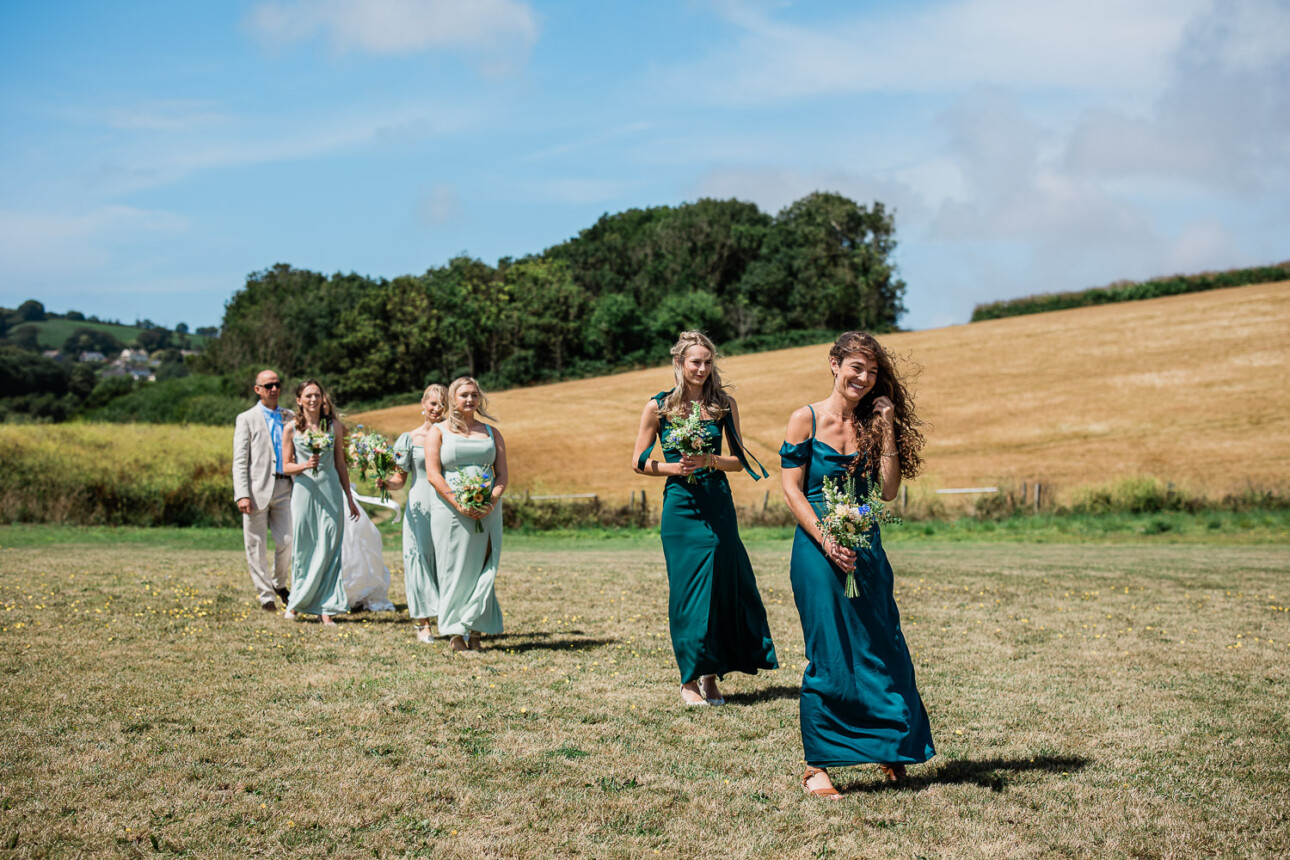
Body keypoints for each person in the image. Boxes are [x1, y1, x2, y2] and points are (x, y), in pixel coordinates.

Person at [779, 331, 935, 799]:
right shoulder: (804, 419)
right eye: (856, 369)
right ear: (834, 364)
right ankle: (817, 767)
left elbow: (886, 493)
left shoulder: (872, 423)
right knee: (829, 653)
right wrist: (827, 538)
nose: (863, 379)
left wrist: (886, 426)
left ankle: (889, 747)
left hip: (866, 549)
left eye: (871, 372)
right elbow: (791, 490)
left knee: (880, 646)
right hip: (816, 549)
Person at [632, 331, 778, 707]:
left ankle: (711, 678)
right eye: (695, 361)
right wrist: (672, 468)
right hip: (680, 507)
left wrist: (710, 460)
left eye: (708, 362)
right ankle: (688, 681)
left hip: (717, 504)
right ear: (679, 364)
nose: (702, 368)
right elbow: (639, 462)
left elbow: (741, 460)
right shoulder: (659, 406)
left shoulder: (724, 404)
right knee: (687, 594)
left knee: (719, 590)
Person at [424, 377, 507, 652]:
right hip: (450, 511)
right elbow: (433, 474)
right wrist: (458, 503)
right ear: (452, 399)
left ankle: (476, 632)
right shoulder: (438, 431)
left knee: (482, 568)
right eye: (464, 395)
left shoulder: (492, 433)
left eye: (474, 395)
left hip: (488, 509)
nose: (470, 400)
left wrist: (491, 502)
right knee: (453, 569)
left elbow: (502, 474)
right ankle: (455, 634)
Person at [282, 379, 361, 625]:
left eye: (317, 395)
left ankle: (327, 607)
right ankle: (297, 602)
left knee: (330, 547)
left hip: (330, 492)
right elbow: (286, 466)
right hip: (304, 493)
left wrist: (350, 498)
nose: (313, 400)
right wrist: (304, 465)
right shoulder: (290, 428)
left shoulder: (334, 427)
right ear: (299, 400)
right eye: (308, 396)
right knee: (304, 548)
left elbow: (340, 465)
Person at [383, 384, 449, 643]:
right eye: (432, 403)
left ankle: (450, 618)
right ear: (423, 405)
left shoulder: (453, 436)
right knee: (419, 559)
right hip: (420, 504)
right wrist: (385, 483)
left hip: (447, 503)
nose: (437, 409)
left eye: (442, 404)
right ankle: (424, 623)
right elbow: (399, 478)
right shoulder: (408, 439)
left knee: (447, 560)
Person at [232, 369, 293, 612]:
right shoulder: (246, 418)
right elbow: (239, 459)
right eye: (268, 386)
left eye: (277, 384)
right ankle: (265, 594)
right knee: (255, 544)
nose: (274, 389)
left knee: (287, 539)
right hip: (256, 489)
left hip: (285, 486)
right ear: (258, 390)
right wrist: (242, 493)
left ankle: (279, 583)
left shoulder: (290, 416)